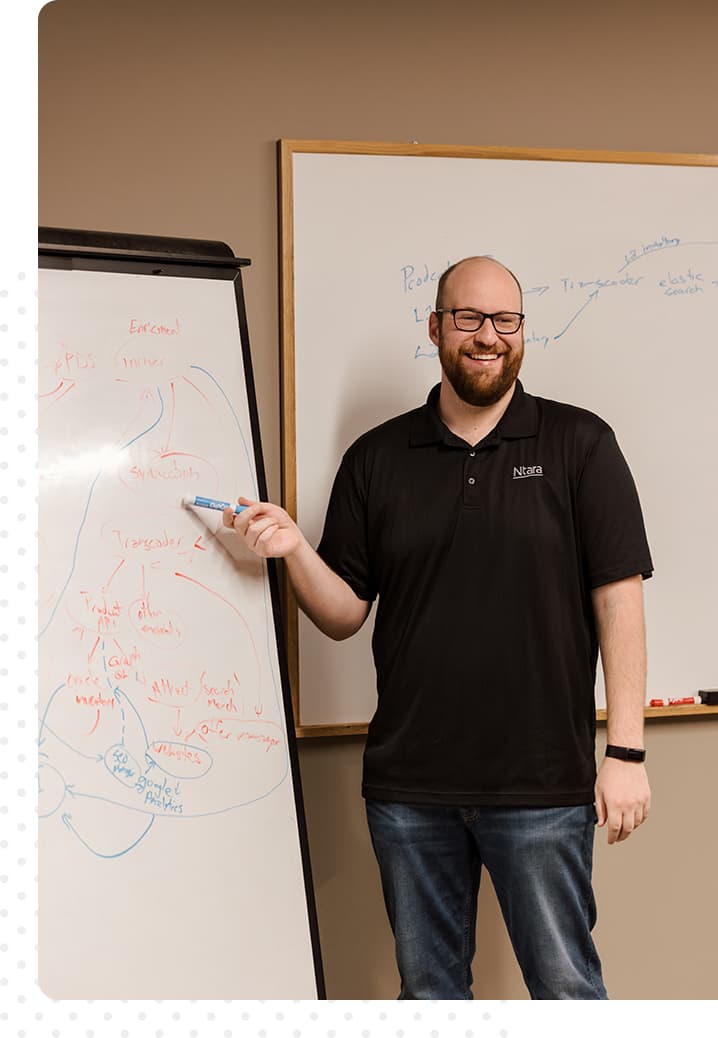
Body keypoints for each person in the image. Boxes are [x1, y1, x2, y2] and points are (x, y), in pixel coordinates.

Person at [223, 255, 653, 1000]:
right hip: (409, 790)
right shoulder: (378, 457)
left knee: (567, 993)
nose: (488, 336)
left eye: (505, 320)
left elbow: (620, 604)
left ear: (521, 331)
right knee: (428, 997)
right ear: (436, 327)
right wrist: (293, 549)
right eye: (468, 318)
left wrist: (625, 751)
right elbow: (342, 614)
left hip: (542, 788)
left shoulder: (580, 445)